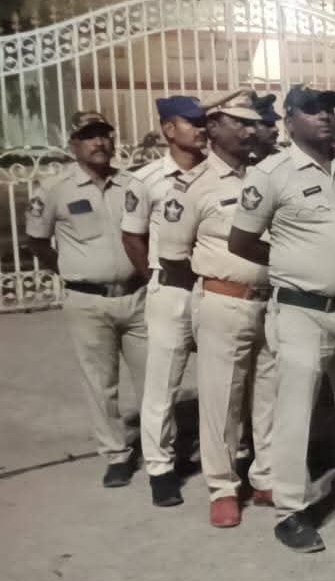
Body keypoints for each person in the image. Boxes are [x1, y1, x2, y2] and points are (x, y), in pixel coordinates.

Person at [229, 84, 335, 553]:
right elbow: (241, 241)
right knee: (294, 415)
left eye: (330, 108)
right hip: (302, 311)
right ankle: (290, 510)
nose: (325, 115)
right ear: (290, 119)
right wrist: (291, 262)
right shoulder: (271, 173)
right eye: (313, 108)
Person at [158, 89, 276, 525]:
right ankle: (223, 486)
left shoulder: (265, 176)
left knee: (270, 394)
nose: (248, 130)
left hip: (272, 301)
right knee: (221, 397)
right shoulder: (194, 186)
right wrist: (216, 287)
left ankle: (267, 475)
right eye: (238, 122)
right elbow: (173, 257)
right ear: (212, 127)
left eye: (251, 122)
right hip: (225, 302)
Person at [26, 111, 148, 489]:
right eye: (89, 136)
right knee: (100, 382)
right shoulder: (55, 189)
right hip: (88, 301)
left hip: (137, 297)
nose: (99, 142)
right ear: (74, 144)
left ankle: (162, 448)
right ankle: (116, 454)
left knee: (154, 377)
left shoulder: (131, 184)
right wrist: (68, 271)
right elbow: (36, 241)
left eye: (104, 134)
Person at [121, 96, 207, 504]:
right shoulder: (147, 179)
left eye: (202, 121)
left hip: (212, 288)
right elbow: (132, 236)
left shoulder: (217, 172)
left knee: (222, 378)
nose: (200, 128)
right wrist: (154, 277)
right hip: (170, 289)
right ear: (169, 129)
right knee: (163, 384)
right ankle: (160, 467)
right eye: (191, 122)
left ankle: (232, 453)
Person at [250, 93, 282, 162]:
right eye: (268, 124)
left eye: (274, 124)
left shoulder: (283, 154)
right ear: (249, 125)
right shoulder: (242, 160)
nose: (276, 129)